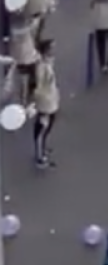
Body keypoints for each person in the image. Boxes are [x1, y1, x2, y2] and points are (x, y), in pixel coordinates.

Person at [29, 37, 58, 168]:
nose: (54, 50)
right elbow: (39, 87)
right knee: (42, 128)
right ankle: (39, 156)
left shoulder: (48, 62)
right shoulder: (41, 66)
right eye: (51, 48)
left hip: (51, 99)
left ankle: (43, 147)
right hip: (45, 102)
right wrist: (38, 103)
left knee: (49, 126)